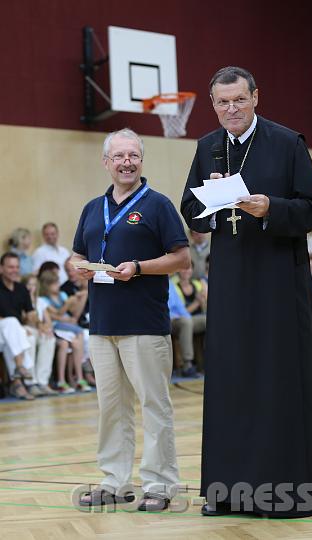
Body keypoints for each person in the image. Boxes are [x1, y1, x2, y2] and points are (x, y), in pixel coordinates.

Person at [181, 66, 312, 517]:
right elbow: (190, 208)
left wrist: (271, 207)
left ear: (256, 98)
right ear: (213, 105)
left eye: (238, 100)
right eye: (222, 102)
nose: (231, 109)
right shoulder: (207, 147)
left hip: (277, 283)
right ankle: (229, 492)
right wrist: (209, 207)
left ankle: (289, 494)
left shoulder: (287, 142)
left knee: (277, 381)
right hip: (229, 284)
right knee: (232, 382)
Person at [71, 128, 190, 511]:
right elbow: (74, 256)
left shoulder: (158, 205)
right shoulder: (92, 208)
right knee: (111, 408)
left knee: (154, 406)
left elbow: (181, 258)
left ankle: (160, 485)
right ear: (106, 162)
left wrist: (138, 267)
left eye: (133, 156)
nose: (126, 162)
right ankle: (114, 481)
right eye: (119, 156)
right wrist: (78, 269)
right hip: (101, 324)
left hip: (144, 323)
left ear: (141, 160)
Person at [0, 253, 51, 400]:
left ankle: (38, 382)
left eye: (17, 267)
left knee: (47, 337)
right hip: (4, 329)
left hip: (13, 331)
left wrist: (41, 325)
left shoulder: (21, 288)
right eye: (10, 267)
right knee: (11, 324)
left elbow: (30, 314)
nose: (14, 270)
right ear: (1, 268)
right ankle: (24, 369)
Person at [38, 270, 90, 393]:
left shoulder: (62, 295)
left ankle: (78, 378)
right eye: (54, 283)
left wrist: (80, 299)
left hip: (67, 328)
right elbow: (56, 314)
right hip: (56, 328)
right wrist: (67, 304)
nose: (58, 285)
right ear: (46, 285)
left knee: (76, 343)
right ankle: (63, 380)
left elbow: (74, 314)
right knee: (78, 333)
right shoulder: (43, 299)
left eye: (57, 282)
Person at [168, 278, 199, 377]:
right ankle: (187, 364)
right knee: (186, 323)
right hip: (166, 319)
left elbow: (180, 306)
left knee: (207, 320)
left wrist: (186, 316)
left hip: (177, 318)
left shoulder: (170, 283)